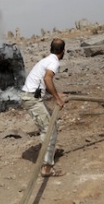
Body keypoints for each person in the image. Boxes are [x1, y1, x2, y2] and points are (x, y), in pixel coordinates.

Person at [20, 38, 67, 177]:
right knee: (49, 130)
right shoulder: (54, 62)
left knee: (51, 121)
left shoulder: (46, 60)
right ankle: (46, 168)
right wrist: (57, 99)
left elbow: (41, 82)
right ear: (63, 51)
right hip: (32, 99)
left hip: (31, 96)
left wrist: (55, 93)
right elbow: (47, 79)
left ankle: (50, 152)